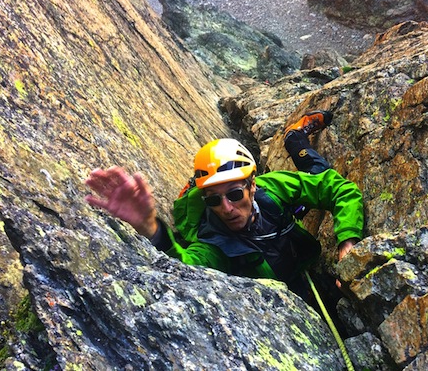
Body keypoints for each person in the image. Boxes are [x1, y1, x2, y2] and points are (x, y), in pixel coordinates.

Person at [85, 111, 364, 294]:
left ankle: (294, 138)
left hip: (295, 254)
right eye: (213, 199)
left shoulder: (271, 187)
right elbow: (187, 269)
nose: (226, 209)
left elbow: (338, 189)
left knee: (318, 172)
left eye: (234, 195)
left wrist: (347, 241)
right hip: (292, 283)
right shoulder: (215, 243)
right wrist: (152, 229)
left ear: (252, 185)